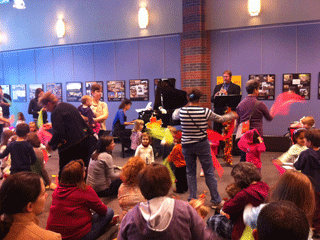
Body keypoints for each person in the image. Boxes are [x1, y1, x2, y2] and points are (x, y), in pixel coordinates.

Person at [172, 88, 237, 207]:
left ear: (188, 98)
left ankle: (192, 199)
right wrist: (232, 115)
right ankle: (216, 200)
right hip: (202, 144)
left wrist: (184, 105)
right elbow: (221, 119)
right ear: (199, 98)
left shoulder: (181, 111)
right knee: (209, 173)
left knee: (190, 173)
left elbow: (173, 115)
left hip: (186, 145)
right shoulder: (205, 111)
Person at [117, 163, 216, 240]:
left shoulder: (130, 217)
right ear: (168, 185)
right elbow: (203, 236)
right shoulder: (185, 209)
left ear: (142, 189)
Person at [46, 160, 115, 240]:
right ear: (81, 175)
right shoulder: (85, 190)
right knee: (109, 212)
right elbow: (103, 210)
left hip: (54, 235)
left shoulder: (57, 190)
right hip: (77, 236)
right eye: (84, 170)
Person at [38, 92, 96, 178]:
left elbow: (58, 133)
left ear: (49, 103)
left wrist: (50, 145)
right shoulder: (67, 105)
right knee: (81, 169)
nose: (45, 109)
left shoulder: (56, 112)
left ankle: (64, 190)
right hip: (86, 140)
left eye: (45, 106)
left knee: (65, 170)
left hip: (72, 146)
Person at [207, 162, 269, 240]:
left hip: (243, 230)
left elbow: (227, 208)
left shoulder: (246, 193)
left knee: (213, 220)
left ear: (239, 179)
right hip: (260, 227)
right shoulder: (264, 185)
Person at [243, 170, 315, 233]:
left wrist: (248, 207)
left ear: (279, 189)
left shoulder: (265, 210)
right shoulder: (305, 225)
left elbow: (248, 217)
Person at [0, 172, 61, 240]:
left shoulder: (4, 226)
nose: (46, 195)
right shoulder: (51, 238)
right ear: (30, 206)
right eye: (43, 193)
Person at [236, 79, 274, 162]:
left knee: (244, 156)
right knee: (255, 158)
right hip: (256, 135)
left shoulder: (240, 104)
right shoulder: (260, 104)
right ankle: (253, 173)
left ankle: (242, 173)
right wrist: (273, 112)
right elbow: (269, 118)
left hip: (244, 134)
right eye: (258, 89)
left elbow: (238, 122)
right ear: (255, 90)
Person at [294, 129, 320, 238]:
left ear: (309, 142)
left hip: (309, 185)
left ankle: (309, 228)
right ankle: (318, 229)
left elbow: (297, 166)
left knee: (308, 207)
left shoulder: (305, 153)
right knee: (318, 208)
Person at [211, 70, 241, 156]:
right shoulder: (218, 87)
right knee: (216, 130)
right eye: (223, 76)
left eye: (226, 76)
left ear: (231, 77)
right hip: (218, 111)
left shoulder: (236, 87)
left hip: (228, 111)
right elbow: (212, 99)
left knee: (227, 131)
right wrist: (215, 96)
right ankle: (216, 151)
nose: (224, 78)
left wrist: (227, 94)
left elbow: (235, 100)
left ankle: (227, 152)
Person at [118, 156, 146, 222]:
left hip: (126, 218)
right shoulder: (147, 188)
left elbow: (121, 205)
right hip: (144, 219)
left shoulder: (122, 187)